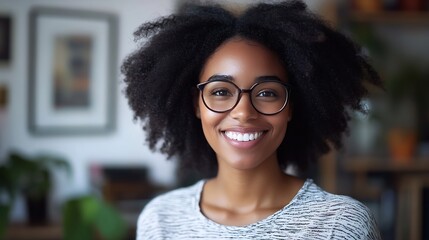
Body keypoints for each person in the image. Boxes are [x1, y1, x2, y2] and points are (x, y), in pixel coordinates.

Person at [121, 1, 383, 239]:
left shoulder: (341, 224)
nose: (244, 112)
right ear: (197, 104)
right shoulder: (160, 219)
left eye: (267, 92)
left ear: (290, 106)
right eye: (221, 91)